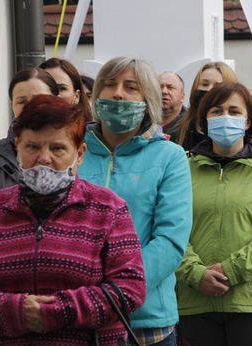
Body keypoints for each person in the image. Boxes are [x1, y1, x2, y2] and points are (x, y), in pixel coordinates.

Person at [0, 94, 146, 345]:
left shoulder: (108, 210)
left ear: (79, 154)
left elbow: (130, 288)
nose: (44, 158)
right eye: (32, 147)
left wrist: (56, 311)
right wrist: (16, 310)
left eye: (57, 148)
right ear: (17, 149)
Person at [78, 56, 192, 346]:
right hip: (79, 311)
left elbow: (170, 240)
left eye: (131, 87)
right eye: (109, 84)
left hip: (145, 319)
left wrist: (119, 288)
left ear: (148, 99)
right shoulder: (74, 151)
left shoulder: (170, 156)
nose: (118, 93)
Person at [176, 82, 252, 346]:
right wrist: (195, 274)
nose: (225, 118)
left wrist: (232, 270)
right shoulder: (183, 168)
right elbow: (168, 228)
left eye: (234, 111)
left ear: (247, 121)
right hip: (195, 302)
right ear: (204, 121)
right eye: (217, 111)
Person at [0, 67, 59, 202]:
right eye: (22, 101)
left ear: (57, 101)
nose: (30, 107)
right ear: (12, 105)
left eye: (40, 100)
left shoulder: (74, 148)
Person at [170, 61, 238, 152]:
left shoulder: (236, 133)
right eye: (205, 84)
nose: (209, 90)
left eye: (217, 86)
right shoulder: (177, 131)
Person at [39, 57, 92, 122]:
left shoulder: (92, 131)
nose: (54, 95)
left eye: (61, 88)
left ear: (76, 96)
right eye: (47, 88)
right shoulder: (25, 130)